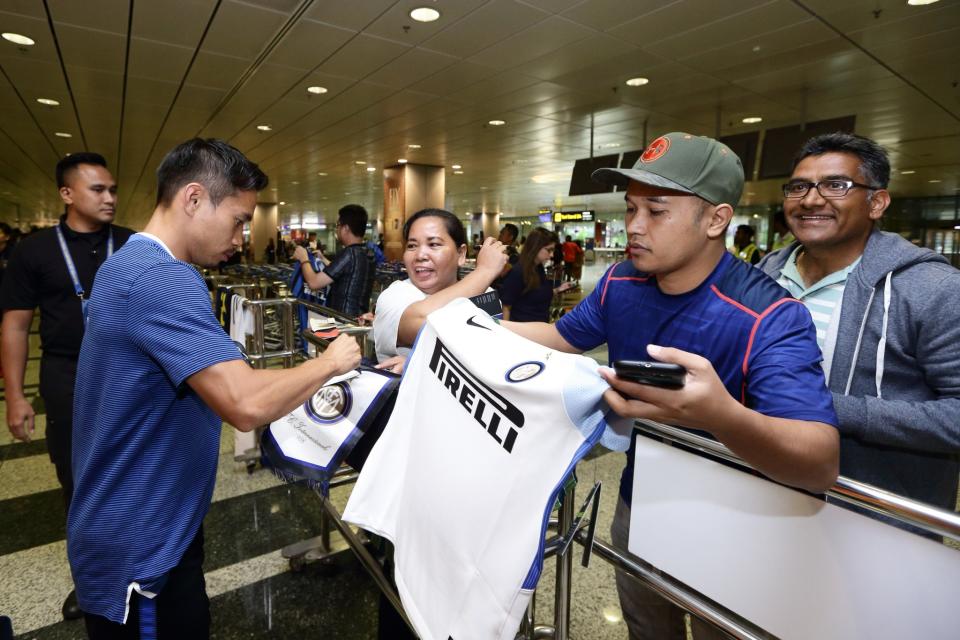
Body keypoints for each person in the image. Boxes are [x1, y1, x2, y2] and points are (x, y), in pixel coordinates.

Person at [503, 132, 839, 640]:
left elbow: (819, 460)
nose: (634, 227)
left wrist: (719, 414)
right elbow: (557, 338)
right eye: (632, 208)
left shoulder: (770, 316)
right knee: (646, 627)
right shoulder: (620, 283)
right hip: (640, 500)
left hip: (735, 522)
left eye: (656, 211)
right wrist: (460, 322)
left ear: (716, 219)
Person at [66, 138, 361, 639]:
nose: (243, 236)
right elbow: (244, 402)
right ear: (194, 199)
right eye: (239, 219)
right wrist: (331, 362)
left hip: (139, 521)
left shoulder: (126, 262)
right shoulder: (162, 277)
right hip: (143, 544)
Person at [758, 132, 960, 527]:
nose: (811, 199)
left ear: (877, 202)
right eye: (799, 187)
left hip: (873, 518)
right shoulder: (762, 277)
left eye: (836, 185)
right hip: (759, 490)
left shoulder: (932, 289)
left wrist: (830, 408)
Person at [0, 152, 134, 621]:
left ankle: (136, 573)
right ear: (67, 194)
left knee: (131, 475)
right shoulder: (33, 251)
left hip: (127, 373)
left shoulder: (132, 243)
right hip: (67, 376)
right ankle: (91, 582)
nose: (110, 198)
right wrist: (16, 396)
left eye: (113, 189)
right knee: (78, 485)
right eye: (98, 190)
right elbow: (16, 326)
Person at [372, 208, 507, 372]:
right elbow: (427, 322)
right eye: (412, 246)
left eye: (434, 244)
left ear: (461, 254)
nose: (420, 254)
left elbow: (495, 349)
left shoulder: (485, 293)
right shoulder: (395, 296)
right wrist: (484, 271)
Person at [293, 204, 376, 318]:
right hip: (359, 320)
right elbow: (345, 272)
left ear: (345, 228)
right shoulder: (367, 253)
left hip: (343, 322)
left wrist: (304, 259)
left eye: (338, 225)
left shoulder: (349, 253)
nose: (337, 230)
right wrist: (322, 258)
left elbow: (314, 283)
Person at [500, 227, 571, 322]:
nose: (552, 255)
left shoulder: (538, 268)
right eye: (548, 250)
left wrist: (558, 289)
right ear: (535, 247)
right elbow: (506, 307)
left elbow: (536, 294)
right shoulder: (518, 272)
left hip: (539, 328)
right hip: (523, 331)